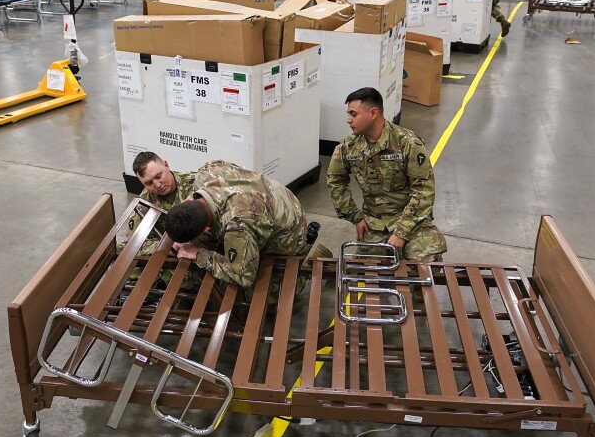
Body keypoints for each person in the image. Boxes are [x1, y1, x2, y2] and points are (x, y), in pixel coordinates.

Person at [327, 87, 446, 266]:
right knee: (368, 273)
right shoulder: (347, 147)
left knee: (424, 267)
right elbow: (335, 181)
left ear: (373, 113)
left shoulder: (407, 143)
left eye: (353, 114)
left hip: (411, 221)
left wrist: (401, 233)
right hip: (374, 223)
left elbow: (423, 191)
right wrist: (355, 217)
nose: (348, 120)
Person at [165, 160, 312, 289]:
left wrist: (199, 254)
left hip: (291, 231)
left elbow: (243, 276)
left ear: (206, 229)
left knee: (250, 292)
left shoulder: (238, 225)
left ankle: (298, 281)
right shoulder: (206, 173)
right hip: (278, 197)